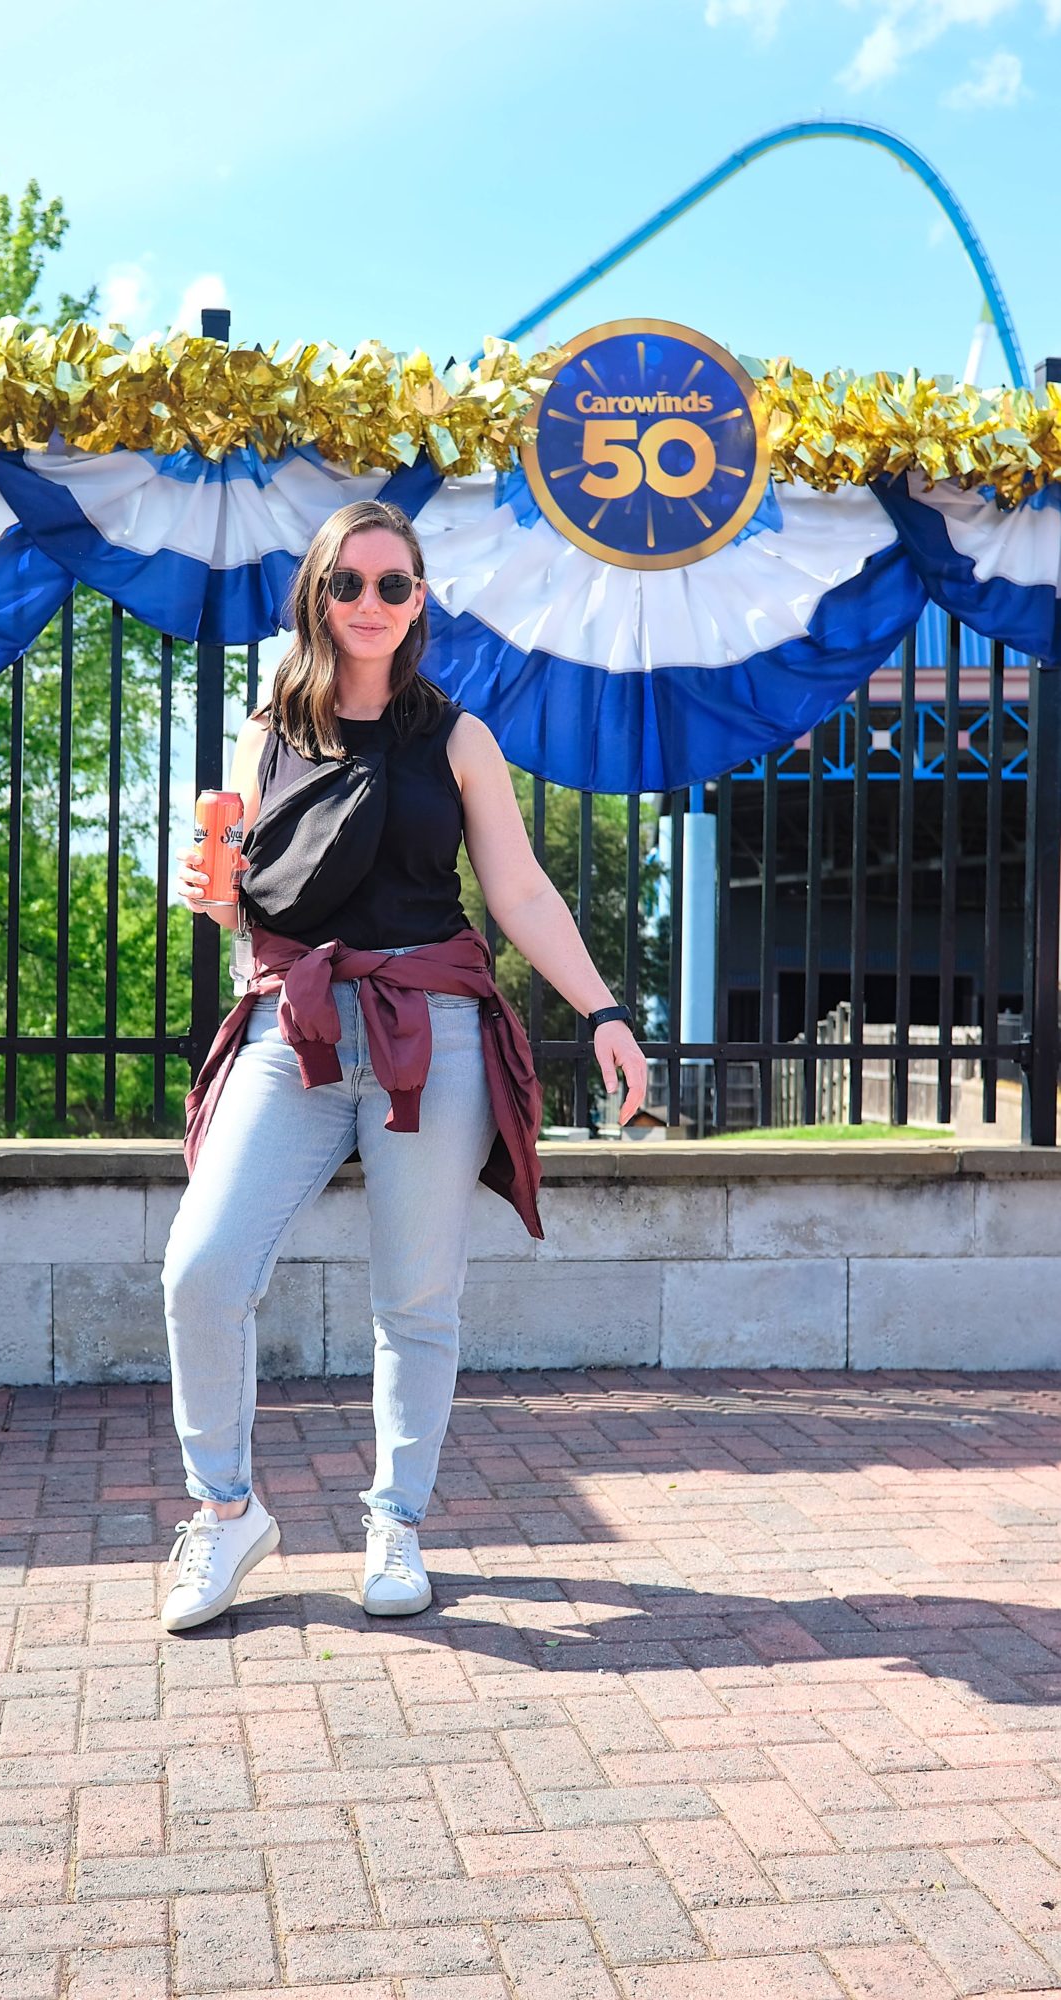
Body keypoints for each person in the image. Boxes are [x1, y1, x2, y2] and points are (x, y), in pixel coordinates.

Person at [160, 498, 647, 1632]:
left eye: (395, 584)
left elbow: (517, 890)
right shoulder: (265, 728)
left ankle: (399, 1521)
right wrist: (213, 894)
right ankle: (226, 1510)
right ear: (315, 598)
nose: (371, 603)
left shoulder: (456, 737)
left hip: (436, 1030)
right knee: (203, 1266)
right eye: (349, 583)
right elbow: (236, 878)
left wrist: (607, 1008)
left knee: (417, 1298)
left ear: (420, 600)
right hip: (298, 1025)